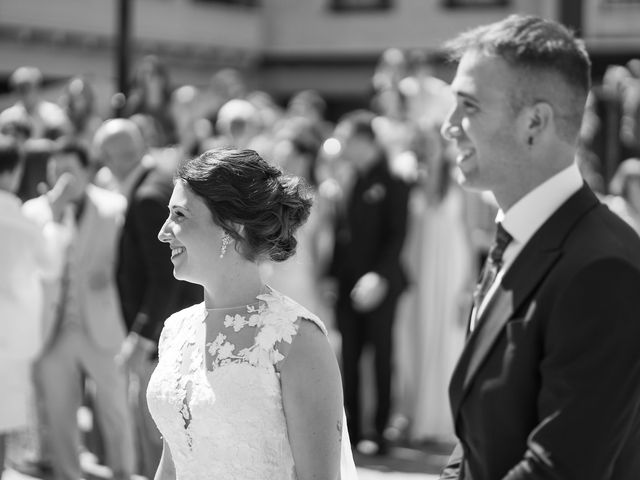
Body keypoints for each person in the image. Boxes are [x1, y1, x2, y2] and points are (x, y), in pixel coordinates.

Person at [439, 15, 640, 480]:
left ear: (535, 121)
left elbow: (559, 469)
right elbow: (476, 440)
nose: (449, 127)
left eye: (468, 106)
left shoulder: (603, 269)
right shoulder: (519, 237)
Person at [148, 148, 358, 480]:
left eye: (180, 215)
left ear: (234, 227)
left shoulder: (296, 339)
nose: (163, 231)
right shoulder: (176, 329)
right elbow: (174, 463)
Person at [92, 118, 201, 479]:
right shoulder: (154, 183)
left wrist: (143, 336)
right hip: (166, 330)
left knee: (161, 434)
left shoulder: (147, 197)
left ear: (115, 157)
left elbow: (164, 278)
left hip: (162, 336)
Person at [22, 140, 135, 480]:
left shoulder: (116, 205)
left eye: (70, 169)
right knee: (59, 414)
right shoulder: (33, 212)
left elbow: (131, 262)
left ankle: (124, 473)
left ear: (87, 170)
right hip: (52, 329)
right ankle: (68, 474)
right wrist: (53, 216)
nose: (63, 178)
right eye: (56, 171)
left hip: (102, 324)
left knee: (115, 410)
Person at [327, 110, 410, 454]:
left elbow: (398, 234)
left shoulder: (394, 180)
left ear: (364, 140)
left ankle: (379, 432)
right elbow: (341, 234)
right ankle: (355, 430)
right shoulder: (351, 179)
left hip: (382, 284)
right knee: (350, 357)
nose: (343, 147)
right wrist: (331, 275)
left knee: (381, 356)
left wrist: (379, 275)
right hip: (347, 285)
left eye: (347, 140)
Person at [0, 136, 66, 476]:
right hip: (9, 339)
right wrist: (53, 220)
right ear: (14, 172)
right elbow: (51, 264)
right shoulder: (22, 222)